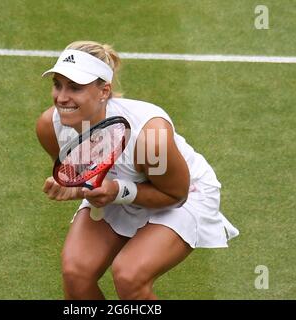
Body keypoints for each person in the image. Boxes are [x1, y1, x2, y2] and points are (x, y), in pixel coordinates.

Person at [36, 40, 239, 300]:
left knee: (129, 275)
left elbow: (175, 195)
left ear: (104, 91)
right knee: (76, 273)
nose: (61, 97)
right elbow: (86, 179)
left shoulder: (149, 136)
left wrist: (117, 190)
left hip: (183, 194)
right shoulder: (49, 127)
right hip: (118, 189)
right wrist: (75, 189)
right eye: (57, 85)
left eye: (74, 88)